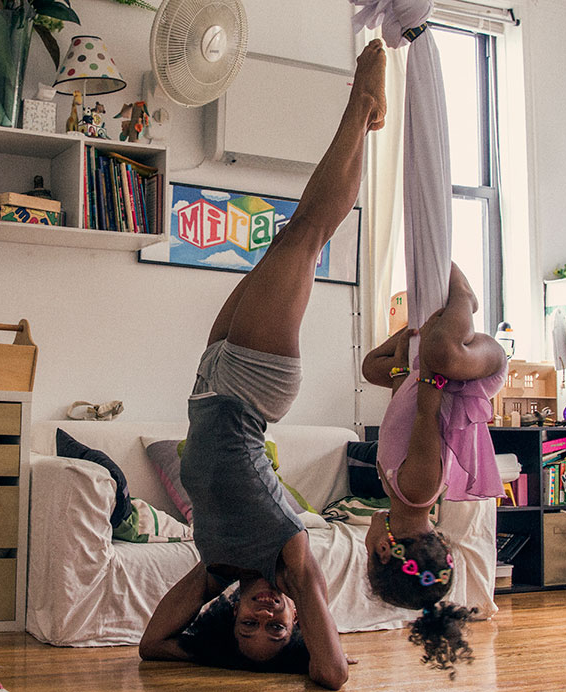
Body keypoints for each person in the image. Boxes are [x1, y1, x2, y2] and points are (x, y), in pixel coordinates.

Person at [139, 38, 388, 690]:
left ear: (228, 618)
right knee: (307, 234)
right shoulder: (291, 557)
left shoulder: (217, 569)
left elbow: (153, 644)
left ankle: (365, 109)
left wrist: (212, 654)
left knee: (295, 234)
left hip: (210, 384)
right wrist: (306, 638)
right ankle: (362, 104)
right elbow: (332, 675)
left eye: (246, 627)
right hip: (252, 391)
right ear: (295, 622)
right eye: (275, 628)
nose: (263, 616)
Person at [360, 261, 507, 678]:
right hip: (468, 375)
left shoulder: (395, 489)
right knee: (440, 352)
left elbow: (399, 414)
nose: (368, 546)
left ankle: (427, 340)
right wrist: (426, 354)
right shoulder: (418, 490)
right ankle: (465, 297)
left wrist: (403, 350)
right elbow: (428, 410)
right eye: (369, 554)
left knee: (372, 366)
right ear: (385, 548)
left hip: (432, 379)